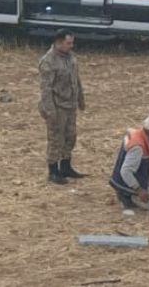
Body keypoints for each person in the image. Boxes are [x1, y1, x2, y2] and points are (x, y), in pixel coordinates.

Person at [38, 29, 87, 185]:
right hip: (57, 107)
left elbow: (76, 79)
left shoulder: (70, 57)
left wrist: (80, 99)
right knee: (56, 139)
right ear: (59, 43)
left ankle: (66, 167)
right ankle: (53, 171)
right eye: (68, 43)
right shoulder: (48, 61)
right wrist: (50, 111)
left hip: (70, 105)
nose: (71, 46)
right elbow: (46, 90)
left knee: (70, 137)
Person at [110, 115, 149, 211]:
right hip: (126, 182)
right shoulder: (137, 147)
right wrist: (139, 190)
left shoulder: (137, 134)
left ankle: (145, 187)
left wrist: (148, 159)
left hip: (130, 175)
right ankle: (131, 196)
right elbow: (125, 171)